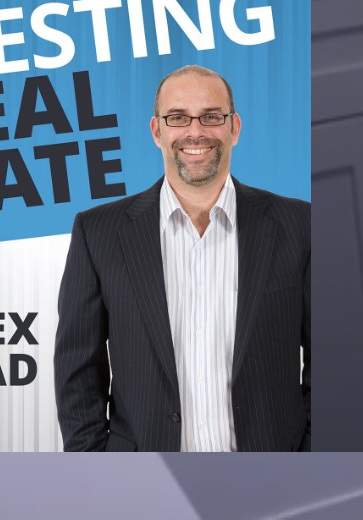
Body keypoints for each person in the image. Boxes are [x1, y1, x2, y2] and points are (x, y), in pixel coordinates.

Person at [52, 63, 311, 451]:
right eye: (177, 117)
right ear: (157, 131)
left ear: (234, 127)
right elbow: (77, 371)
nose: (195, 131)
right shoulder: (98, 232)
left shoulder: (300, 225)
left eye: (211, 116)